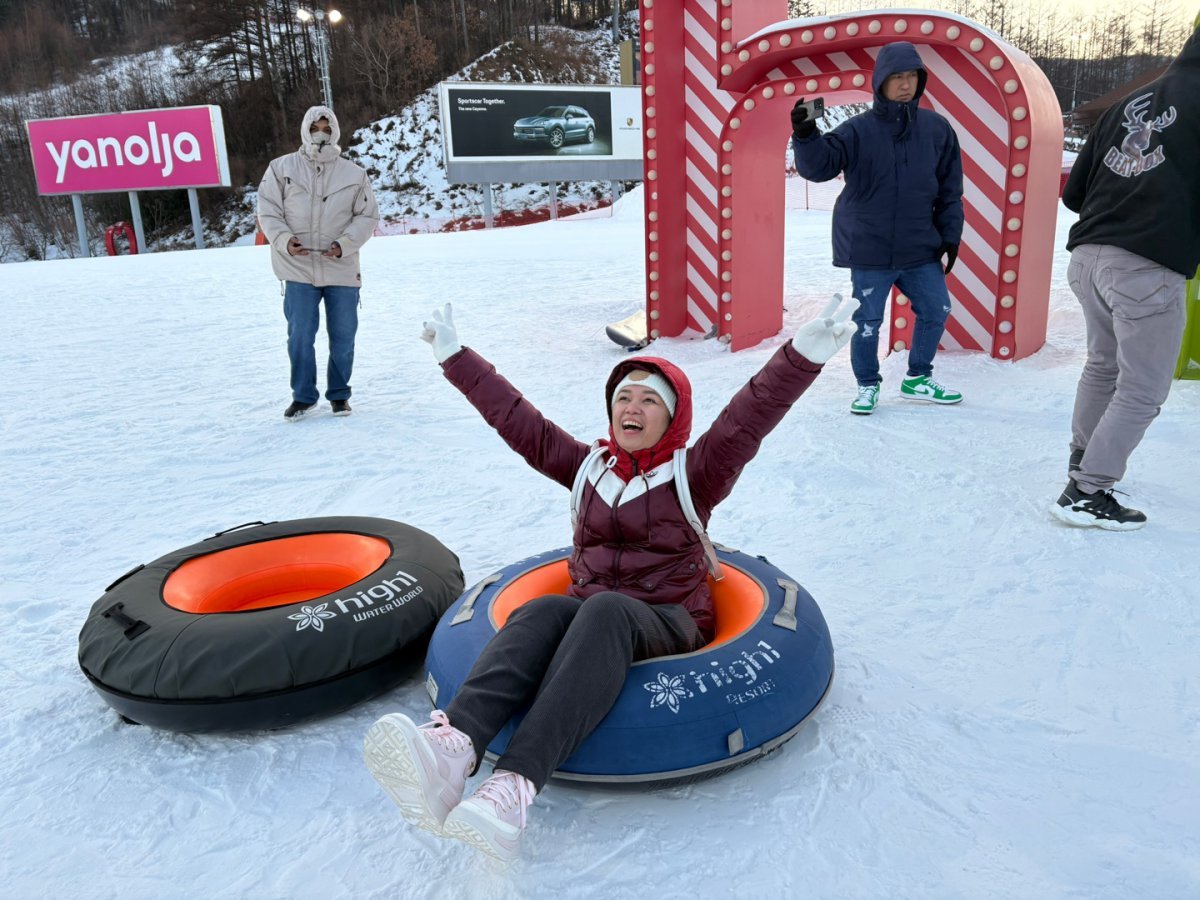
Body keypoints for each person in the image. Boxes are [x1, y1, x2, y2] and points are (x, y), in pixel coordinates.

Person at [363, 295, 858, 861]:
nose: (634, 406)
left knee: (604, 608)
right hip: (592, 619)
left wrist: (800, 357)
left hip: (671, 621)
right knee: (543, 610)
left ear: (672, 417)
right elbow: (519, 421)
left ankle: (514, 788)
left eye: (650, 399)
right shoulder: (587, 470)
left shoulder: (695, 473)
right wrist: (456, 358)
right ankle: (454, 750)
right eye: (624, 396)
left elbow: (748, 417)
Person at [1052, 26, 1200, 530]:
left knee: (1103, 367)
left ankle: (1083, 458)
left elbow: (1073, 194)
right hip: (1147, 266)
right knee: (1143, 388)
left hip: (1089, 257)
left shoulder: (1131, 99)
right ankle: (1087, 491)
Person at [790, 41, 964, 415]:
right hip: (870, 248)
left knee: (937, 309)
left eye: (912, 77)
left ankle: (918, 377)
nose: (905, 84)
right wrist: (806, 135)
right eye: (896, 77)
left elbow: (951, 191)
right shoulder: (857, 130)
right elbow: (818, 167)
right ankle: (867, 384)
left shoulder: (937, 129)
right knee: (867, 321)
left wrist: (950, 237)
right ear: (880, 82)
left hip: (921, 248)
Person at [257, 105, 379, 421]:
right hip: (297, 266)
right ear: (305, 130)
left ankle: (339, 395)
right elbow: (268, 210)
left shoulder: (355, 174)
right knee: (299, 335)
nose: (320, 134)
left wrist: (345, 245)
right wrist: (284, 240)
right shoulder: (280, 168)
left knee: (343, 336)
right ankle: (303, 397)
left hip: (340, 265)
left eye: (326, 128)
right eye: (315, 128)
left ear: (335, 130)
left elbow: (367, 216)